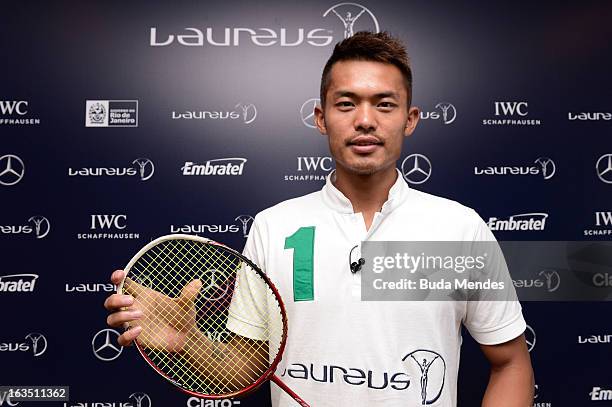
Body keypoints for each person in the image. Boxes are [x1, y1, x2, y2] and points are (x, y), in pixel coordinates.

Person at [105, 31, 534, 406]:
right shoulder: (274, 227)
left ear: (410, 119)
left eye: (384, 104)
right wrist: (188, 343)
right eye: (346, 103)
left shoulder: (459, 228)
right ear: (321, 118)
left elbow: (511, 363)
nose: (365, 120)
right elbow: (249, 368)